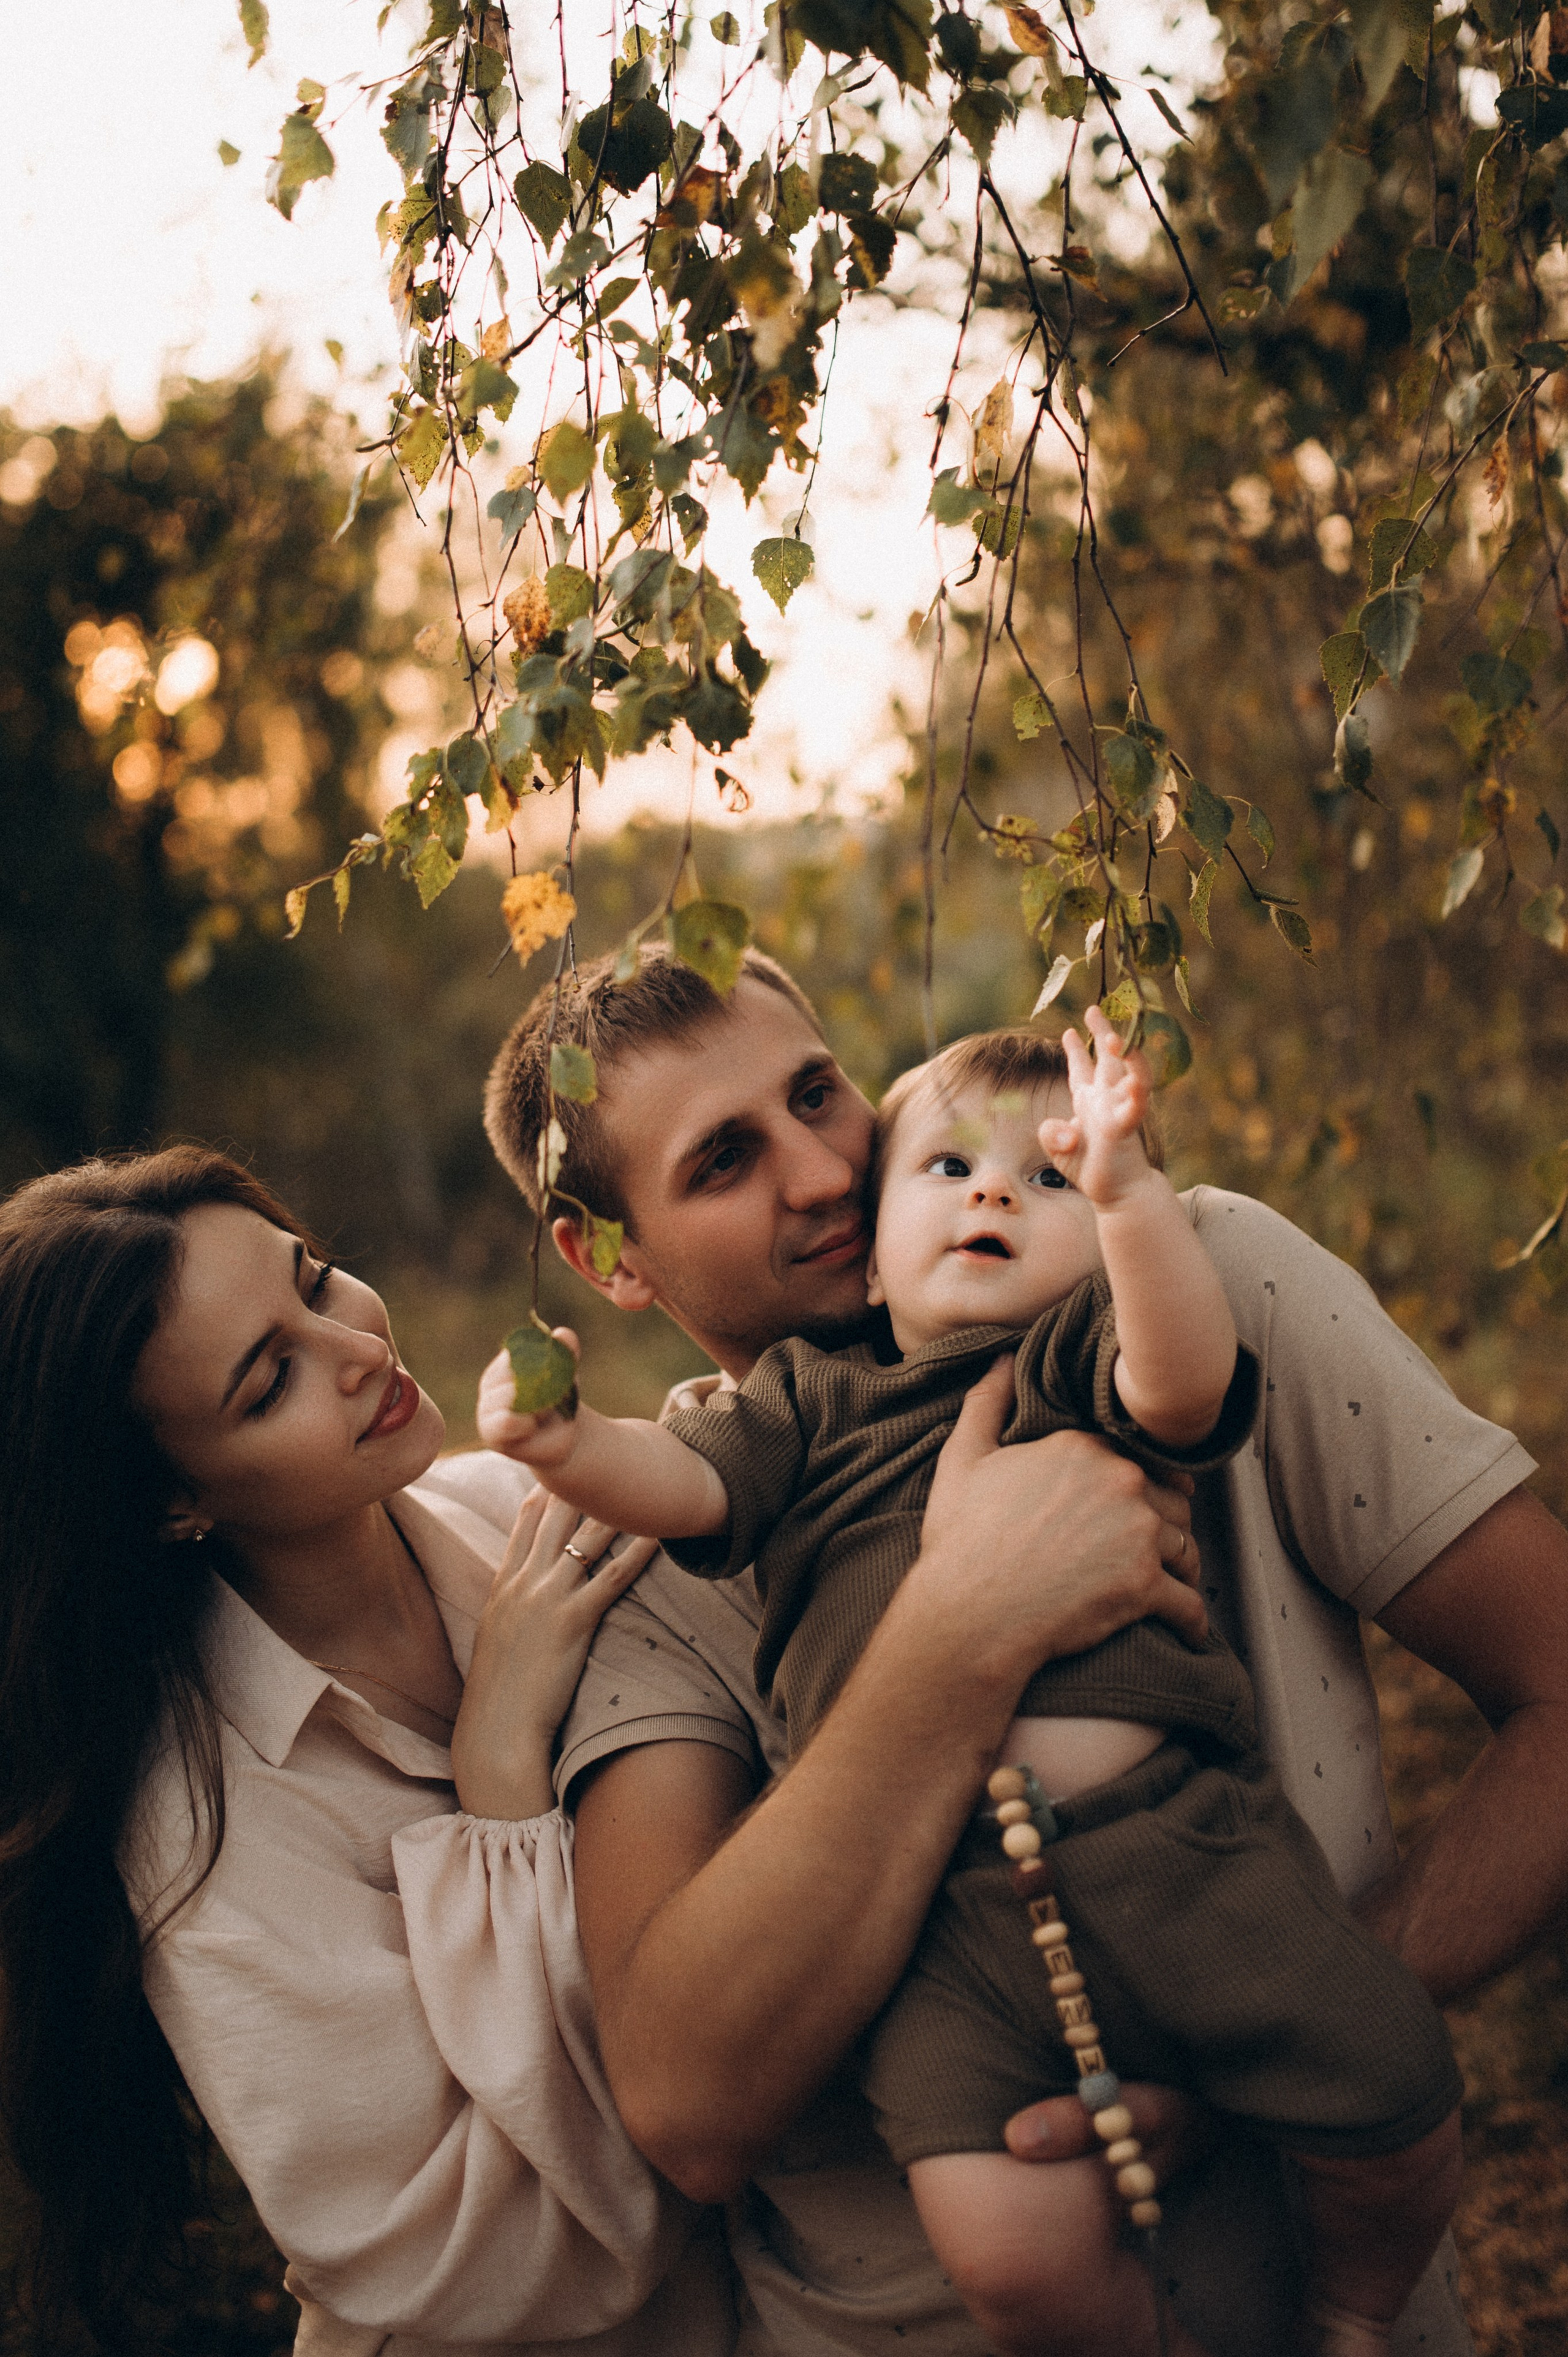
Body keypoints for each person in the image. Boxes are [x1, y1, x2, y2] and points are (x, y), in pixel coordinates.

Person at [481, 941, 1568, 2357]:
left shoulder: (1168, 1281)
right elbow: (685, 2102)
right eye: (723, 1160)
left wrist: (1287, 2012)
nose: (819, 1170)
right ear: (606, 1257)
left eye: (819, 1094)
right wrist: (958, 1630)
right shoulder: (649, 1557)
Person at [0, 1146, 737, 2357]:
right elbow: (476, 2262)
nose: (357, 1350)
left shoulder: (522, 1507)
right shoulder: (202, 1825)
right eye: (268, 1379)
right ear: (169, 1502)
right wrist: (498, 1782)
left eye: (318, 1279)